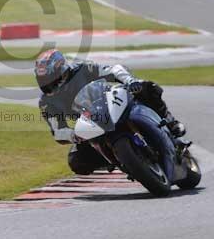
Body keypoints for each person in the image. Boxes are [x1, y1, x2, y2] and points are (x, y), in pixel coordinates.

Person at [35, 49, 186, 175]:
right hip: (90, 124)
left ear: (62, 70)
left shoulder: (82, 69)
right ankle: (117, 160)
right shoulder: (46, 102)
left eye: (51, 79)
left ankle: (170, 121)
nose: (49, 86)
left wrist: (130, 81)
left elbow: (113, 69)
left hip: (110, 102)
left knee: (148, 87)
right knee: (76, 161)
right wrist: (73, 135)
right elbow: (57, 130)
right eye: (44, 82)